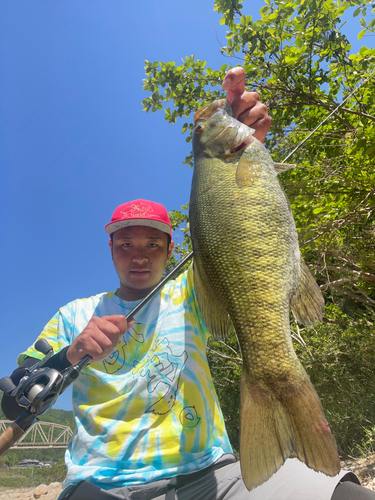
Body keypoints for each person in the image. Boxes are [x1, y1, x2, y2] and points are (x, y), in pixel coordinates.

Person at [1, 68, 372, 500]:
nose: (139, 255)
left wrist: (246, 146)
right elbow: (13, 400)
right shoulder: (73, 314)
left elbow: (241, 247)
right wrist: (73, 351)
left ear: (171, 248)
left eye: (152, 244)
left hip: (213, 475)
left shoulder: (190, 292)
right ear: (110, 248)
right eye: (126, 244)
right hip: (99, 486)